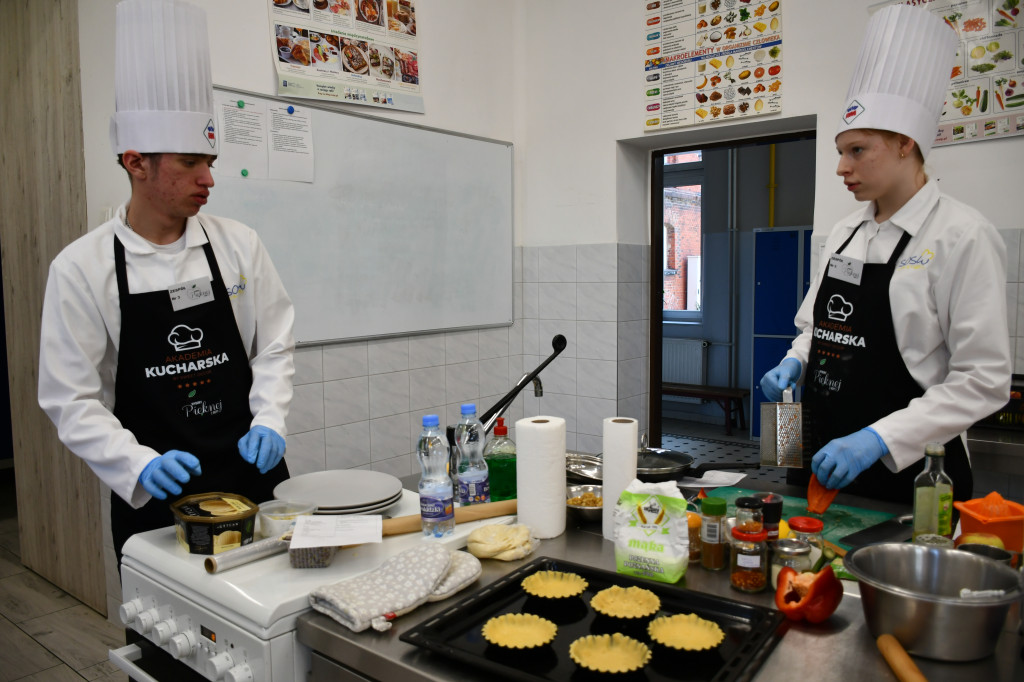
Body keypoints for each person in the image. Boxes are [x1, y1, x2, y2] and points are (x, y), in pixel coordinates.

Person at [37, 0, 295, 565]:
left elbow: (274, 344)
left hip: (256, 480)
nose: (208, 179)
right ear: (136, 162)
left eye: (210, 160)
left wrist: (271, 418)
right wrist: (138, 464)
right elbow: (70, 399)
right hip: (158, 495)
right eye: (188, 163)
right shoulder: (82, 269)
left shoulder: (239, 245)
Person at [759, 4, 1011, 504]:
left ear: (903, 144)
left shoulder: (962, 235)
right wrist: (795, 360)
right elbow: (819, 328)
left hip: (914, 475)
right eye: (839, 151)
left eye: (857, 150)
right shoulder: (848, 232)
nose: (841, 167)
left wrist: (879, 439)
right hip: (820, 457)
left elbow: (984, 380)